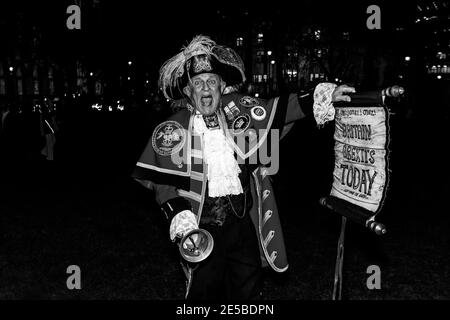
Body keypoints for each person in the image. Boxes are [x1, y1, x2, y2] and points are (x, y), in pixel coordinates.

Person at [132, 35, 354, 300]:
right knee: (204, 293)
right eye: (198, 83)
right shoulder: (173, 129)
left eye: (211, 82)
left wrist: (326, 95)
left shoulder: (238, 110)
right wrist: (180, 216)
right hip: (204, 226)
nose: (205, 89)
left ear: (222, 86)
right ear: (188, 92)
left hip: (242, 223)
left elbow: (280, 109)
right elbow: (162, 182)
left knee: (248, 289)